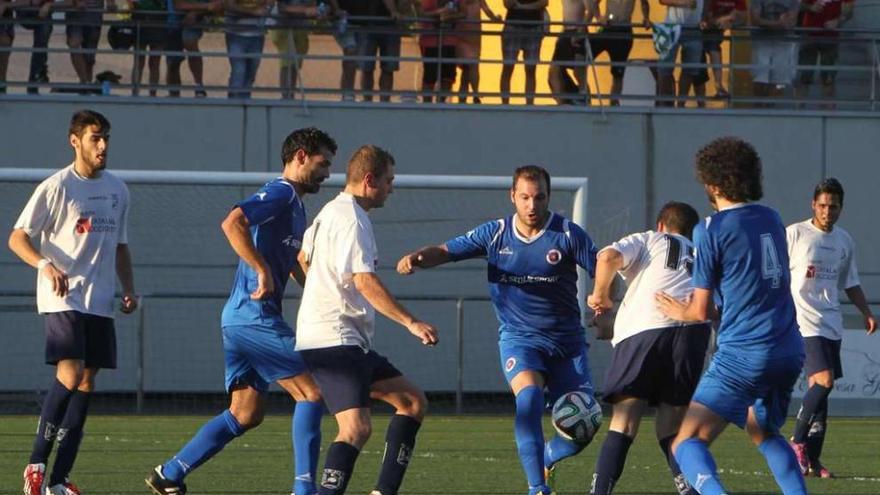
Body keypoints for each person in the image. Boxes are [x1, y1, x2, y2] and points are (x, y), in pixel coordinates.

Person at [146, 127, 337, 495]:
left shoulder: (296, 205)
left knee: (246, 412)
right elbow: (232, 222)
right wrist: (262, 269)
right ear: (300, 156)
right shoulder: (281, 192)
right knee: (312, 392)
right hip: (255, 317)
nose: (327, 173)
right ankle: (304, 490)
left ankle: (169, 473)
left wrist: (317, 288)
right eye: (322, 163)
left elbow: (294, 259)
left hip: (241, 320)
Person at [397, 165, 599, 495]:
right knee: (529, 398)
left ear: (549, 197)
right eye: (525, 198)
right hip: (520, 339)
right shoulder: (495, 233)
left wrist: (603, 304)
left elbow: (602, 266)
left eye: (539, 198)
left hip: (568, 344)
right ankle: (537, 487)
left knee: (585, 427)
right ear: (512, 197)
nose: (532, 205)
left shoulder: (567, 234)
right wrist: (420, 257)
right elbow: (447, 251)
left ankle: (548, 454)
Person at [655, 137, 807, 495]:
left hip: (744, 355)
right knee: (764, 431)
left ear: (713, 183)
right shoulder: (771, 217)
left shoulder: (710, 229)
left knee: (686, 443)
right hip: (788, 351)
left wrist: (679, 309)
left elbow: (701, 311)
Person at [296, 145, 439, 495]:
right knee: (356, 429)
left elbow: (302, 259)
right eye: (389, 180)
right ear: (370, 180)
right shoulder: (352, 219)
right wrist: (411, 322)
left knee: (412, 402)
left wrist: (320, 291)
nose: (392, 188)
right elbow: (363, 280)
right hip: (335, 339)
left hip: (343, 339)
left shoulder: (327, 214)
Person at [11, 110, 137, 495]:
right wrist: (46, 265)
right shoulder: (57, 186)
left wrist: (129, 287)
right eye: (95, 138)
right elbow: (17, 238)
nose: (102, 146)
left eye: (106, 138)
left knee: (86, 381)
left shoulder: (118, 190)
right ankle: (35, 465)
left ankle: (59, 480)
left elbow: (120, 246)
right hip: (62, 297)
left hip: (98, 301)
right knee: (70, 373)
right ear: (75, 141)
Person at [587, 201, 708, 495]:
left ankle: (599, 492)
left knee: (624, 423)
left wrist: (601, 297)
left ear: (662, 225)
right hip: (694, 337)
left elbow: (607, 258)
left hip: (647, 331)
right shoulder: (702, 254)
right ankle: (691, 490)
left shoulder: (651, 239)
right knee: (671, 429)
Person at [786, 177, 876, 478]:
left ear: (841, 209)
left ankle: (813, 460)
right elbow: (774, 272)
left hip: (831, 322)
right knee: (824, 381)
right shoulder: (796, 234)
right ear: (813, 205)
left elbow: (850, 282)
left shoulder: (844, 241)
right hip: (802, 321)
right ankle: (797, 441)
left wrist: (866, 311)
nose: (827, 211)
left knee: (821, 392)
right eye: (823, 205)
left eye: (833, 206)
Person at [588, 0, 651, 105]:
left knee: (618, 72)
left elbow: (644, 3)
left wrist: (646, 18)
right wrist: (599, 17)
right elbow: (593, 3)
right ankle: (583, 94)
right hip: (607, 28)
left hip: (624, 30)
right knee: (583, 56)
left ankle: (614, 102)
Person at [793, 0, 854, 107]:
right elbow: (795, 4)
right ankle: (798, 112)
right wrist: (810, 7)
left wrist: (837, 21)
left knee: (828, 77)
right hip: (809, 35)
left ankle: (828, 114)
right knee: (804, 75)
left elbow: (849, 11)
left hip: (831, 37)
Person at [167, 0, 221, 97]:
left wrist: (195, 12)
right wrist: (206, 6)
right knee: (172, 62)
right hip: (172, 23)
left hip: (194, 22)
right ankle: (173, 94)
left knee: (190, 42)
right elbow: (179, 5)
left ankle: (198, 85)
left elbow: (217, 5)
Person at [749, 0, 798, 106]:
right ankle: (757, 108)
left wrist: (770, 24)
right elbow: (755, 20)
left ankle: (771, 108)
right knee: (760, 78)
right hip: (762, 41)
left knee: (779, 79)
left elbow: (791, 21)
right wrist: (777, 24)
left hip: (784, 42)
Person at [657, 0, 703, 107]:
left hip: (694, 27)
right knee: (664, 69)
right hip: (670, 26)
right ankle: (665, 105)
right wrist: (684, 3)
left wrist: (704, 17)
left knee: (690, 69)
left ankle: (680, 105)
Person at [500, 0, 547, 104]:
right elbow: (507, 4)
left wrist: (522, 6)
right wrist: (530, 6)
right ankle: (505, 104)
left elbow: (544, 2)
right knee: (508, 67)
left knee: (531, 69)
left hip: (534, 27)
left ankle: (529, 104)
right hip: (513, 27)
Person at [359, 0, 406, 102]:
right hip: (369, 24)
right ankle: (367, 101)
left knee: (388, 68)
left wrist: (400, 12)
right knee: (367, 68)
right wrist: (394, 11)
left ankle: (384, 101)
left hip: (391, 26)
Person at [417, 0, 462, 102]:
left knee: (448, 75)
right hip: (430, 40)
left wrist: (450, 16)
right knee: (430, 74)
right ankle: (427, 104)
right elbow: (420, 13)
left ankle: (441, 101)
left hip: (450, 40)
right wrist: (440, 12)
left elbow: (463, 13)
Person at [455, 0, 499, 103]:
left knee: (467, 69)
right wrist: (495, 18)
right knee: (472, 66)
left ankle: (464, 97)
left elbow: (487, 11)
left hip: (467, 34)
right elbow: (488, 11)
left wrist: (494, 18)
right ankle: (474, 93)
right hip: (469, 35)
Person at [548, 0, 590, 105]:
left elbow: (591, 10)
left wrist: (580, 31)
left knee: (579, 71)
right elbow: (566, 14)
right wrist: (561, 33)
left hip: (578, 30)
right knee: (554, 70)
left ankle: (584, 99)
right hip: (566, 32)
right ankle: (560, 102)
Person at [223, 0, 268, 98]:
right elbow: (229, 5)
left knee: (251, 72)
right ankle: (234, 104)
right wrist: (253, 12)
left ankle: (245, 103)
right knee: (239, 71)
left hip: (257, 35)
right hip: (235, 34)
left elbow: (268, 5)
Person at [130, 0, 168, 96]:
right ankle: (135, 93)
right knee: (139, 61)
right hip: (140, 19)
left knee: (155, 62)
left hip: (159, 20)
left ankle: (152, 94)